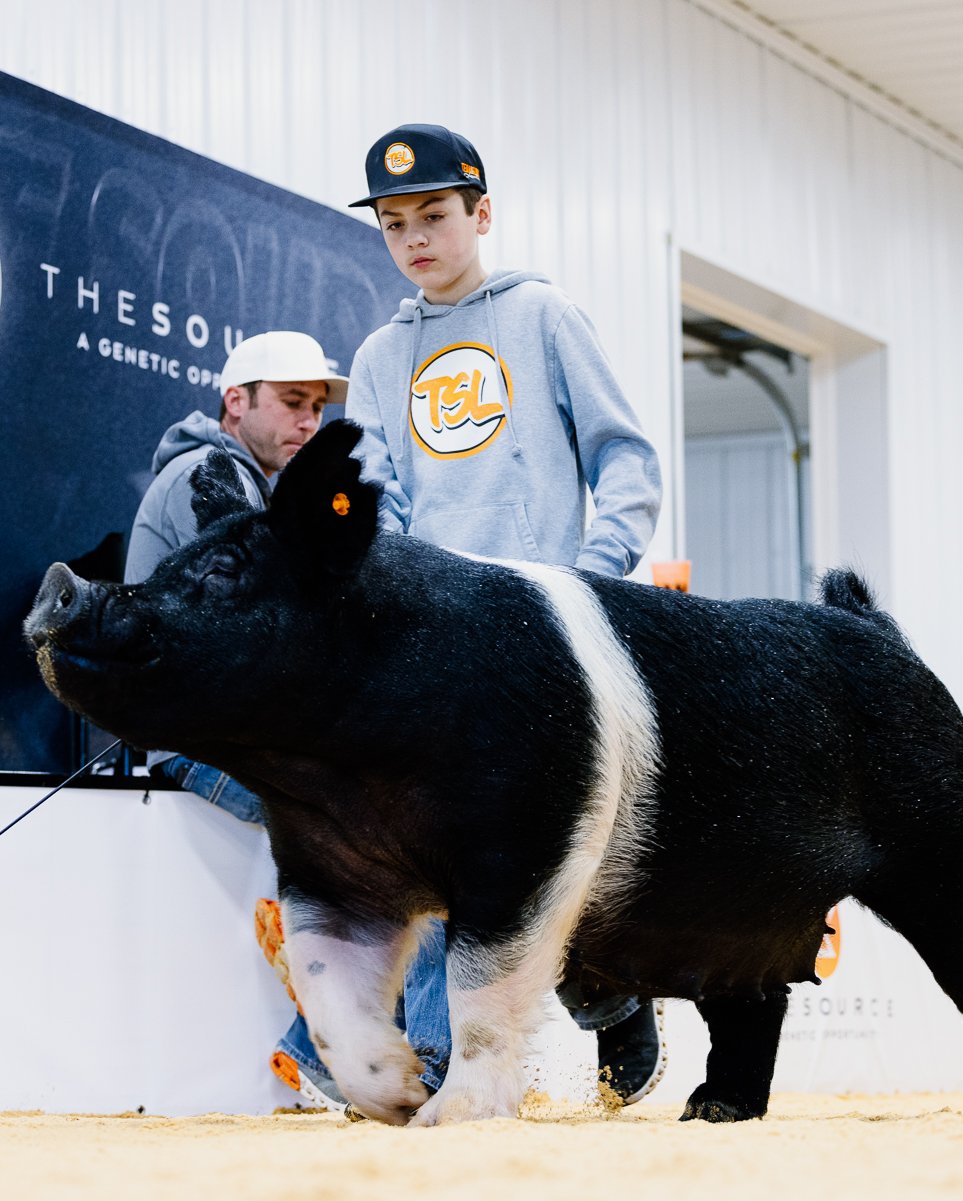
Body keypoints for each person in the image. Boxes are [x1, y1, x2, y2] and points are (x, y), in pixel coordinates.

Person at [335, 122, 667, 1105]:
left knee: (563, 845)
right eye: (395, 223)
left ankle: (613, 1000)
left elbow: (626, 461)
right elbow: (376, 505)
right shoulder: (378, 358)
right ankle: (447, 1066)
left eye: (434, 215)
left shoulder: (545, 318)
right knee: (442, 849)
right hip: (437, 642)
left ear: (481, 213)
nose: (415, 238)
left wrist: (591, 580)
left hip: (555, 628)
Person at [126, 329, 353, 1110]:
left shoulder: (244, 482)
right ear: (235, 401)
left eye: (316, 407)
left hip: (218, 730)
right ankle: (324, 1033)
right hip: (194, 739)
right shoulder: (211, 475)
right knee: (372, 826)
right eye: (292, 402)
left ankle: (317, 1002)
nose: (308, 422)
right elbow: (263, 629)